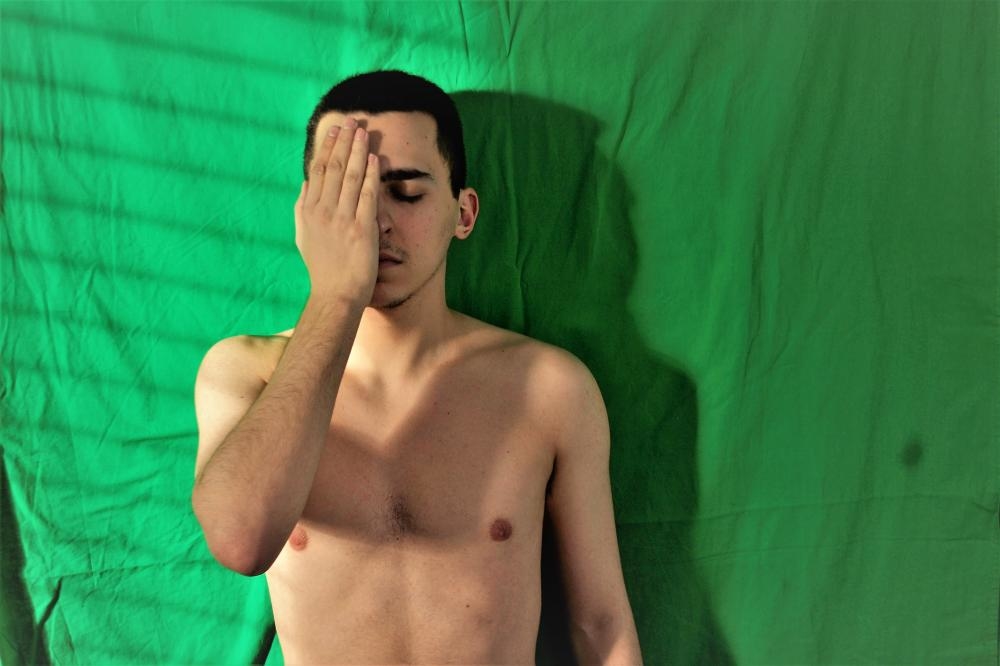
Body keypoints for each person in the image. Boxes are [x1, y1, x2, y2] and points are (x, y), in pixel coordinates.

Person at [191, 70, 642, 665]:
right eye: (345, 194)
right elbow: (240, 541)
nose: (372, 223)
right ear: (308, 214)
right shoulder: (246, 373)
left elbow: (601, 626)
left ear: (464, 213)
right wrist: (336, 296)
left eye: (405, 193)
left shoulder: (550, 388)